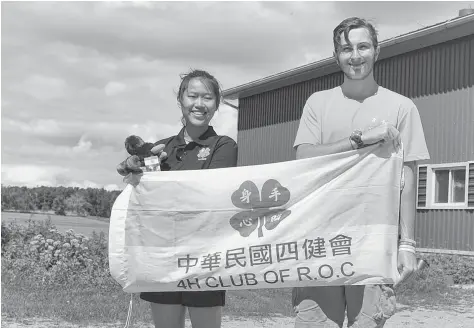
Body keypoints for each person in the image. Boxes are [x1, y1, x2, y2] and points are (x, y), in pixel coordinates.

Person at [292, 17, 430, 328]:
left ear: (377, 51)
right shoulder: (318, 103)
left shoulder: (402, 107)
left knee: (366, 323)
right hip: (320, 237)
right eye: (346, 49)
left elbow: (406, 181)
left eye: (363, 46)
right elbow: (303, 156)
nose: (355, 56)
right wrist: (358, 139)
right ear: (336, 56)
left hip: (374, 240)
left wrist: (406, 244)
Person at [117, 69, 238, 328]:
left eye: (207, 98)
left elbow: (210, 192)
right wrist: (134, 168)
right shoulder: (158, 148)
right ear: (180, 100)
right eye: (192, 95)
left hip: (205, 258)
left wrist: (161, 178)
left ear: (216, 105)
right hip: (164, 256)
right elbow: (139, 189)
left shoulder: (224, 146)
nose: (199, 104)